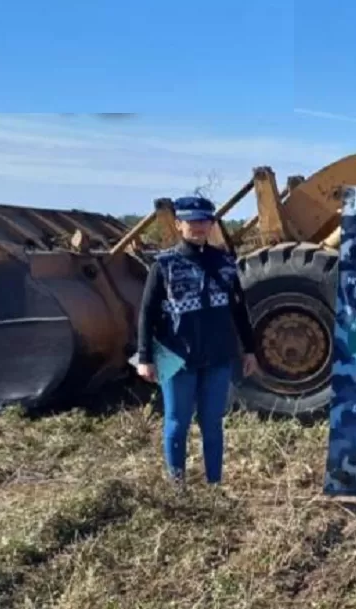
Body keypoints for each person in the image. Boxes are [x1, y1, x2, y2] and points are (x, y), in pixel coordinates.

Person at [136, 195, 258, 487]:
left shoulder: (226, 263)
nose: (198, 227)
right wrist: (144, 357)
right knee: (177, 423)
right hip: (177, 357)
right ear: (179, 224)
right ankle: (177, 489)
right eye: (191, 221)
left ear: (212, 224)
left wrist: (250, 349)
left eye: (204, 221)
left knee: (213, 424)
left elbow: (239, 310)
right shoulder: (163, 265)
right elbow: (147, 312)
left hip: (217, 356)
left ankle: (214, 486)